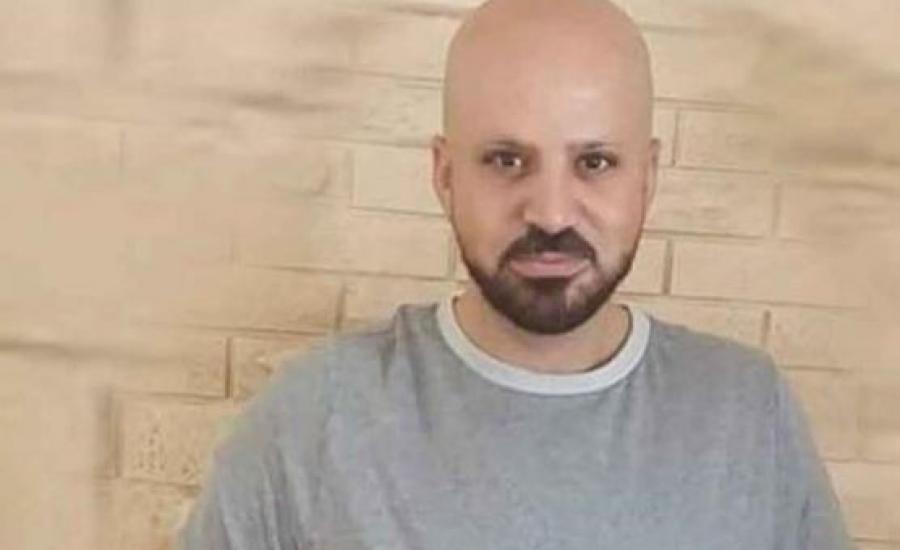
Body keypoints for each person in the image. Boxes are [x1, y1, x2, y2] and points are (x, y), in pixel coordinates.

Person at [178, 0, 853, 548]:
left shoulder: (749, 415)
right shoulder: (311, 418)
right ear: (446, 176)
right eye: (506, 160)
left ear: (646, 178)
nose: (551, 213)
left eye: (594, 163)